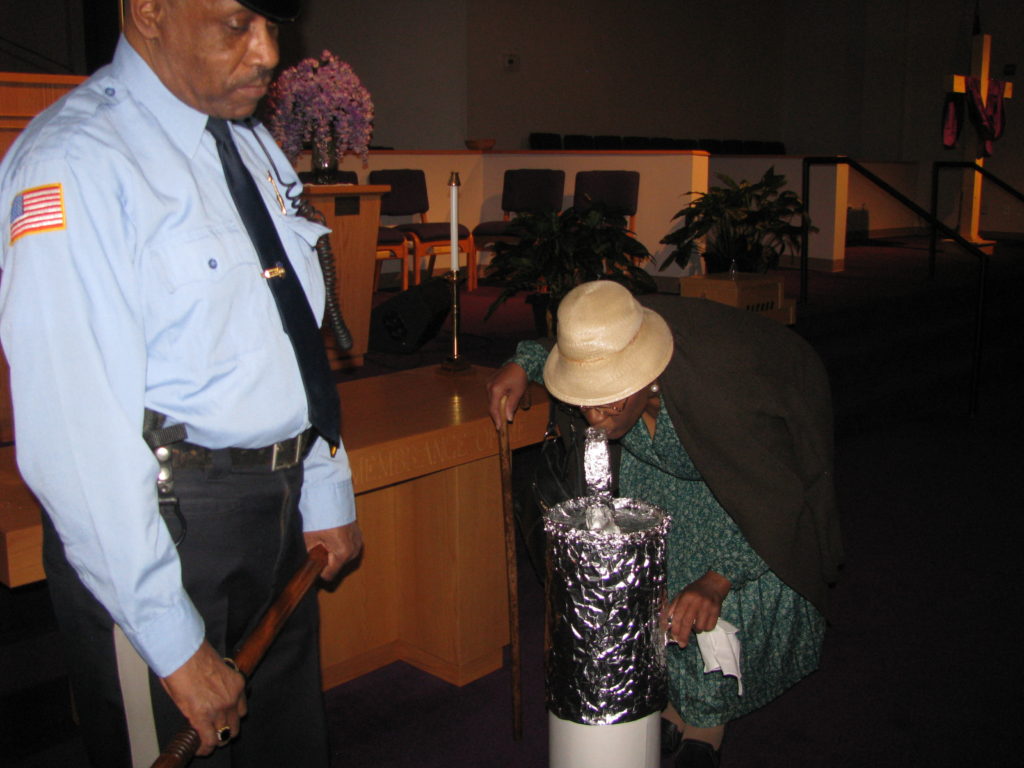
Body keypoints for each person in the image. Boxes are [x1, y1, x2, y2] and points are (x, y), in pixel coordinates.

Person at [0, 1, 362, 765]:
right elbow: (75, 433)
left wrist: (324, 485)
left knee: (286, 745)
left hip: (277, 511)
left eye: (274, 23)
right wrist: (167, 639)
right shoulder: (76, 161)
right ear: (150, 11)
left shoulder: (250, 144)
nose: (268, 51)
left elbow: (290, 329)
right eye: (237, 23)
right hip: (164, 529)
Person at [487, 280, 842, 768]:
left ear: (646, 376)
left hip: (745, 486)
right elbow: (576, 346)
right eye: (585, 399)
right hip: (663, 478)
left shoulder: (722, 393)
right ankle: (671, 708)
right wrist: (522, 364)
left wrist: (717, 580)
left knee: (706, 613)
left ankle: (705, 727)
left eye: (611, 400)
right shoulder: (614, 336)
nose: (596, 417)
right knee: (643, 589)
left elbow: (781, 496)